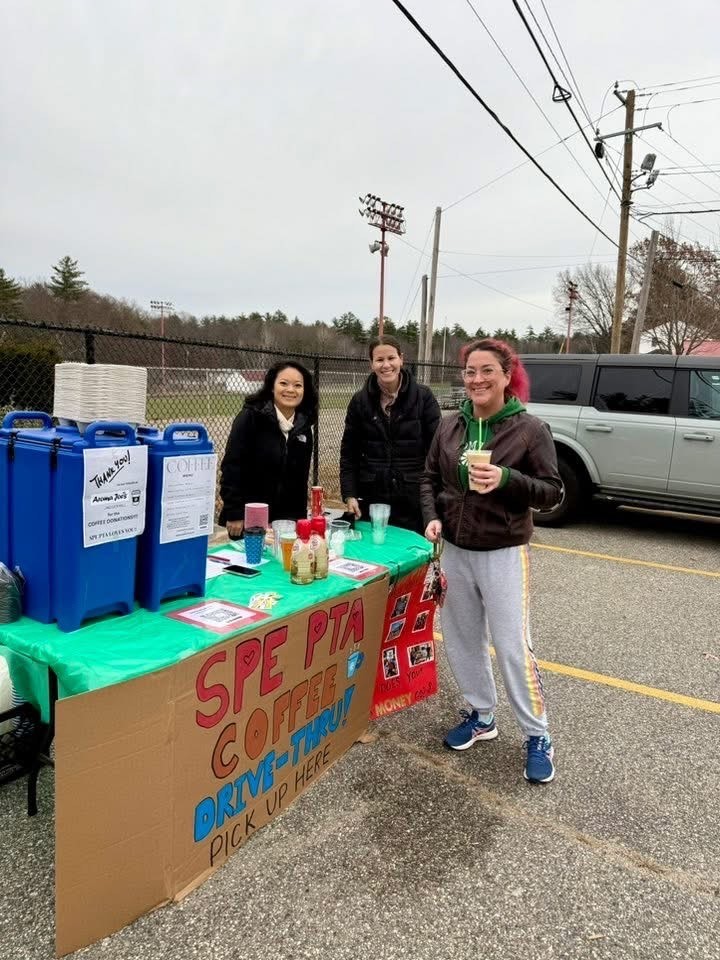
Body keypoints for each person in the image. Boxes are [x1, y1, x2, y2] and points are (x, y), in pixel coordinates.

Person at [419, 338, 562, 784]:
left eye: (487, 371)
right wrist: (432, 517)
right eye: (469, 372)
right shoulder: (450, 426)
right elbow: (428, 478)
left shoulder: (529, 430)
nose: (476, 379)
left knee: (513, 646)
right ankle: (481, 715)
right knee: (461, 639)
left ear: (506, 376)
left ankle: (538, 734)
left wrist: (507, 478)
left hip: (503, 552)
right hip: (457, 551)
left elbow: (552, 491)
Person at [340, 335, 441, 534]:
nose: (386, 365)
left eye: (391, 358)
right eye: (379, 360)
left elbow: (437, 451)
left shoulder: (423, 397)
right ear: (371, 364)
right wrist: (350, 494)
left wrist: (434, 500)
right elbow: (349, 453)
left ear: (401, 359)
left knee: (413, 557)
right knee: (375, 557)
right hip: (372, 500)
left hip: (413, 499)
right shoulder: (360, 402)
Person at [219, 360, 318, 537]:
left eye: (297, 385)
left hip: (286, 522)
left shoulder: (304, 427)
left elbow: (300, 480)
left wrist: (299, 521)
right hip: (248, 520)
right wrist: (234, 512)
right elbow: (231, 467)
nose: (290, 390)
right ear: (272, 387)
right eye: (283, 383)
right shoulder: (250, 417)